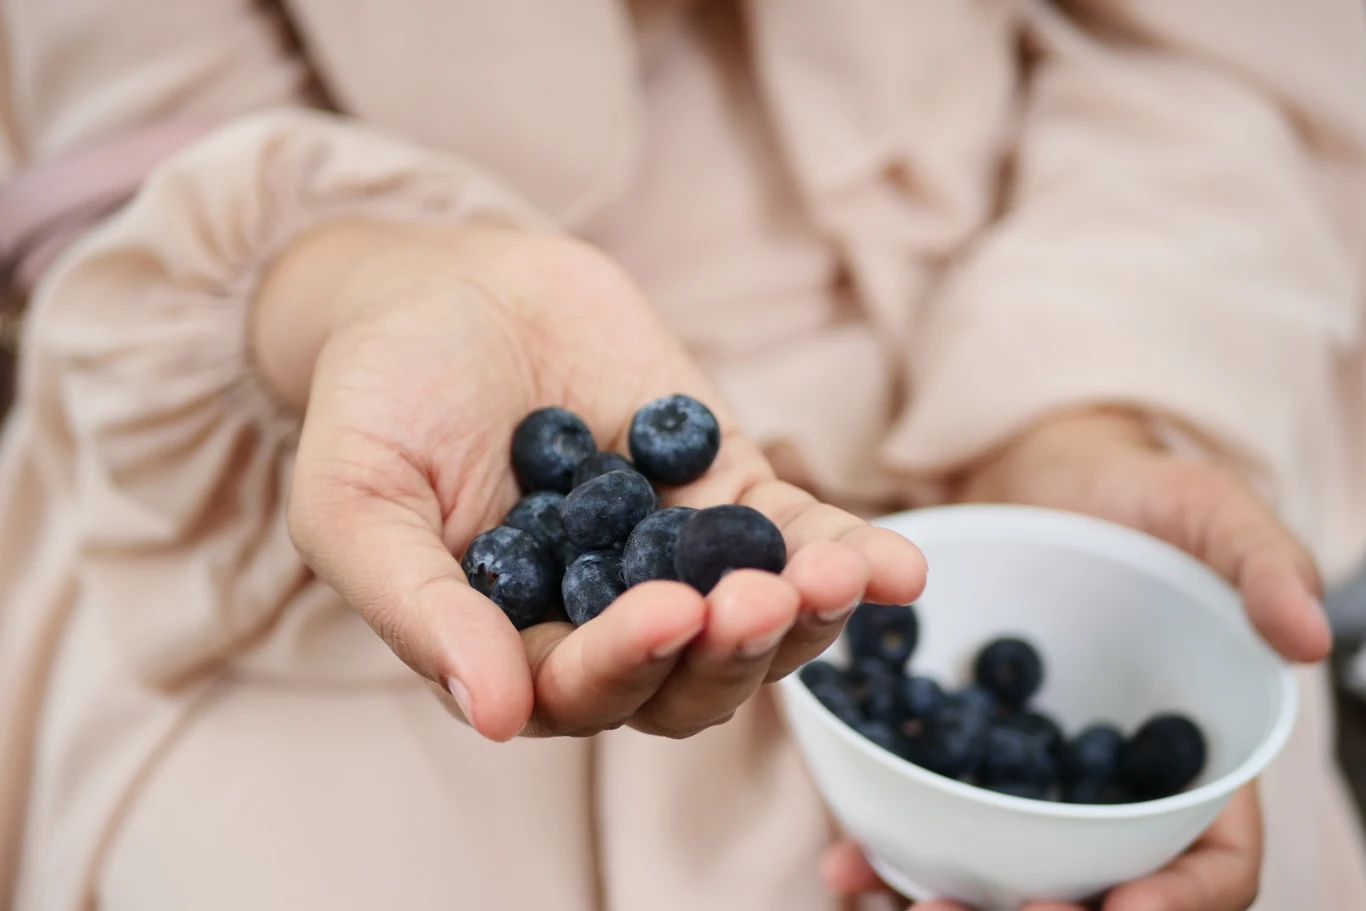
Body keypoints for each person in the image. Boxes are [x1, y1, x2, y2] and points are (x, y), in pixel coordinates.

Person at [1, 1, 1365, 909]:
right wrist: (357, 288)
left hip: (1000, 322)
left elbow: (1206, 59)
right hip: (304, 448)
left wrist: (1079, 407)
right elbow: (119, 166)